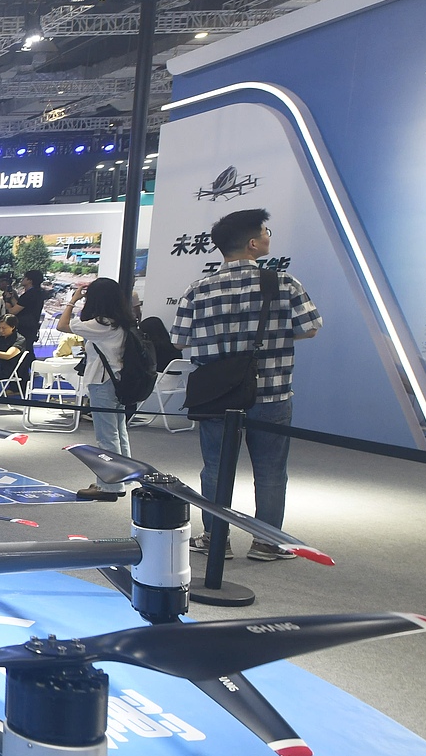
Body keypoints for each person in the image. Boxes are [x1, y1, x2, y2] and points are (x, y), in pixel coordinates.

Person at [172, 208, 322, 561]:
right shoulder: (283, 283)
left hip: (216, 395)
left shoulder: (197, 289)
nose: (269, 236)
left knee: (215, 468)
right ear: (253, 244)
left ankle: (215, 538)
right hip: (271, 392)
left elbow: (179, 341)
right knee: (270, 470)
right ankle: (267, 542)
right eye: (266, 232)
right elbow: (311, 327)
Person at [57, 276, 138, 502]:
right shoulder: (121, 322)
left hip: (102, 382)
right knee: (119, 432)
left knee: (106, 436)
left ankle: (109, 486)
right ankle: (122, 477)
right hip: (118, 381)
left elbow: (62, 325)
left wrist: (73, 300)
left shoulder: (102, 323)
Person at [12, 269, 53, 348]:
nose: (22, 279)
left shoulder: (29, 295)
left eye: (24, 278)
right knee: (28, 348)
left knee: (23, 348)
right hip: (32, 325)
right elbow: (22, 305)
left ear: (30, 280)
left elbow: (13, 311)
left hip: (24, 326)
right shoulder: (38, 293)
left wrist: (6, 304)